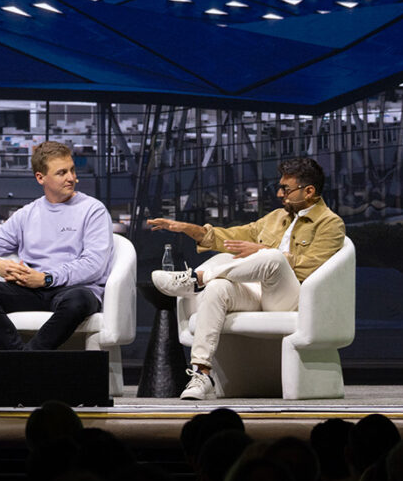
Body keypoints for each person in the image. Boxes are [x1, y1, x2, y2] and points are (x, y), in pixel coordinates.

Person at [147, 156, 345, 400]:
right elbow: (230, 237)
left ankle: (198, 278)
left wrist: (265, 252)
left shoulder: (330, 223)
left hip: (292, 297)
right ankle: (202, 374)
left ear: (309, 191)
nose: (280, 194)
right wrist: (188, 229)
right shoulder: (275, 218)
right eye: (279, 187)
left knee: (273, 257)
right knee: (218, 288)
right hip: (258, 292)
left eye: (286, 189)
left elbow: (313, 267)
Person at [0, 140, 113, 354]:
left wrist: (46, 278)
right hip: (30, 290)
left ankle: (21, 363)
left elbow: (94, 264)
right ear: (40, 177)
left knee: (78, 300)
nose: (71, 178)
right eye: (62, 173)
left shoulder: (93, 210)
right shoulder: (27, 213)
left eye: (72, 170)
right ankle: (24, 359)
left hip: (72, 290)